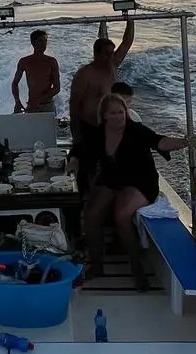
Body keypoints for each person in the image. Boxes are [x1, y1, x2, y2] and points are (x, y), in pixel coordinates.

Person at [72, 91, 189, 288]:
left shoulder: (136, 130)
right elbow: (80, 150)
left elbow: (160, 141)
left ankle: (137, 268)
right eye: (114, 113)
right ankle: (97, 265)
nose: (119, 116)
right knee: (91, 215)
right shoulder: (98, 133)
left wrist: (184, 142)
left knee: (121, 214)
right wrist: (74, 161)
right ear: (105, 116)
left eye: (121, 112)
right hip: (112, 180)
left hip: (140, 181)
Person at [69, 16, 135, 158]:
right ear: (96, 55)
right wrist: (77, 135)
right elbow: (74, 105)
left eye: (112, 53)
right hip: (89, 128)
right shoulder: (84, 74)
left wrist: (130, 19)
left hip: (110, 128)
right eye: (106, 54)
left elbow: (127, 42)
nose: (110, 57)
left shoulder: (112, 66)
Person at [12, 30, 62, 113]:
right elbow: (15, 83)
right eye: (40, 41)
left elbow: (57, 88)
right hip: (32, 106)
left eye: (45, 41)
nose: (44, 44)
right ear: (33, 43)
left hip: (47, 106)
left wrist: (38, 100)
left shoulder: (51, 61)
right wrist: (17, 102)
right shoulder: (24, 61)